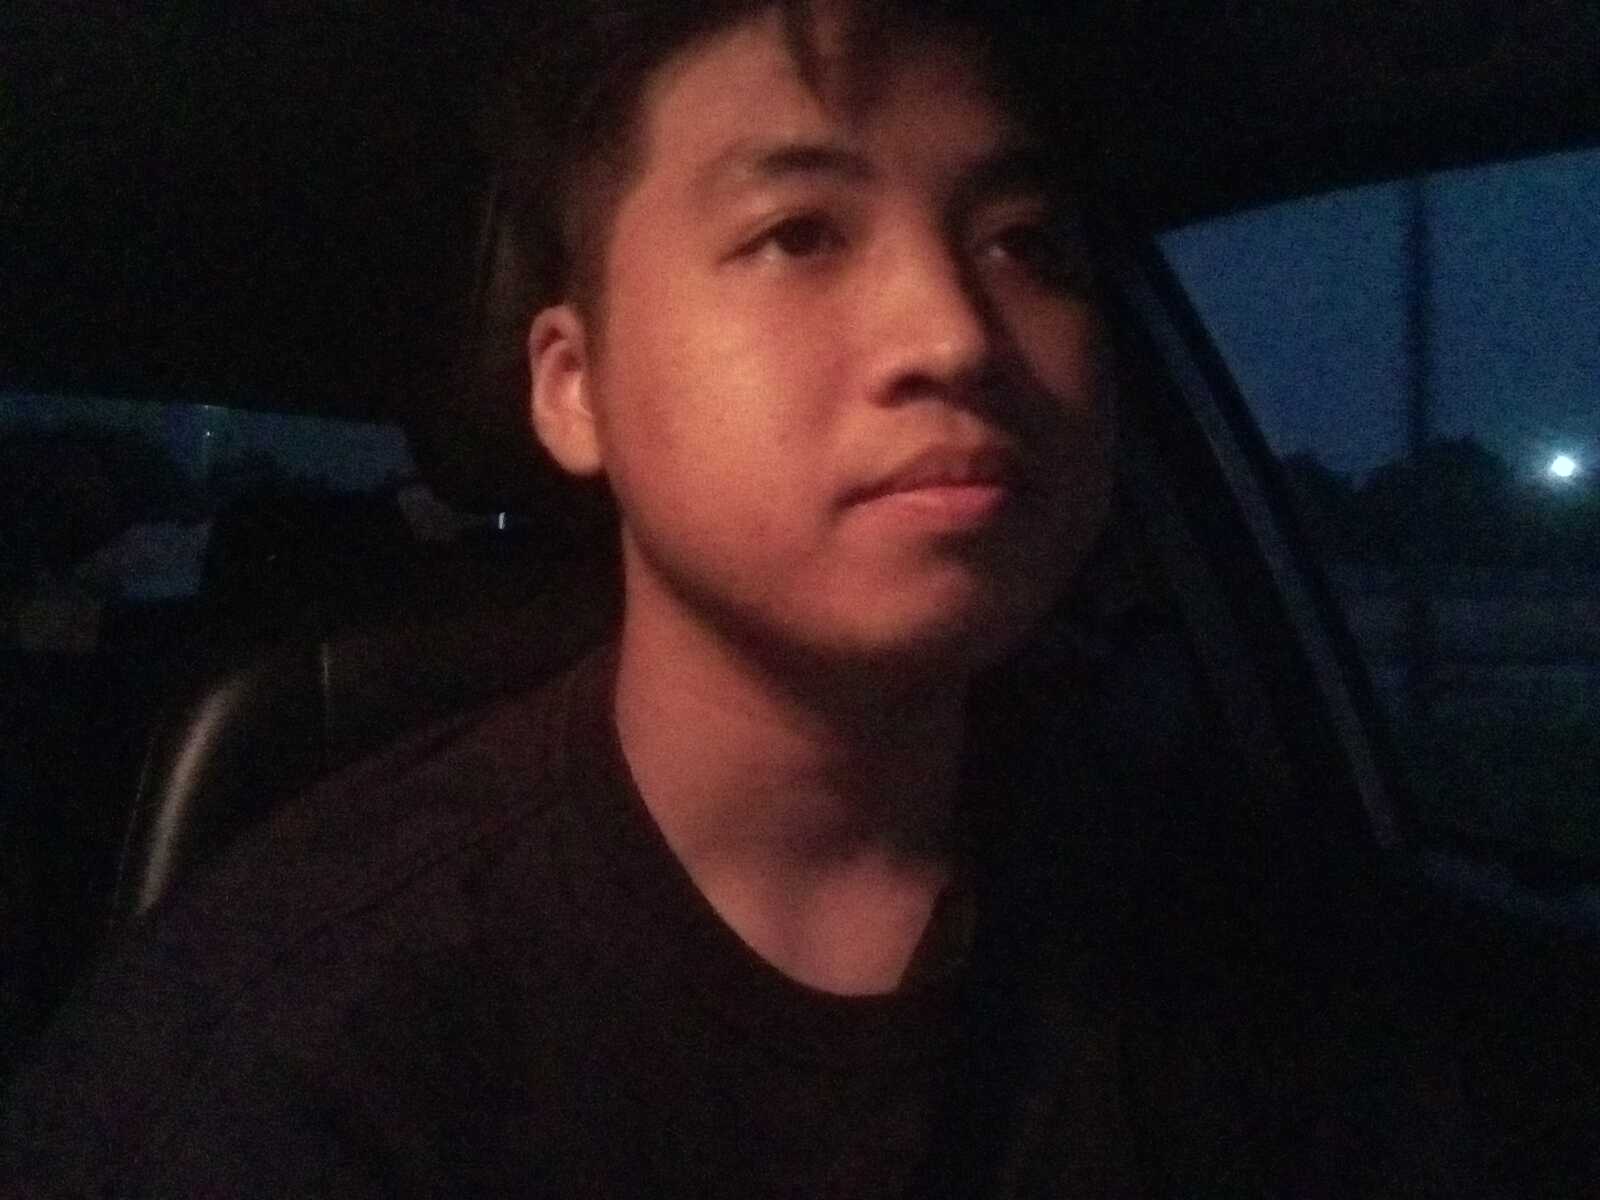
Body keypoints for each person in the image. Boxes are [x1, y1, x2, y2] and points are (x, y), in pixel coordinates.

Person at [1, 1, 1473, 1195]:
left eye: (1024, 243)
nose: (956, 334)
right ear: (573, 387)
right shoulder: (290, 1057)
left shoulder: (1243, 931)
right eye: (800, 234)